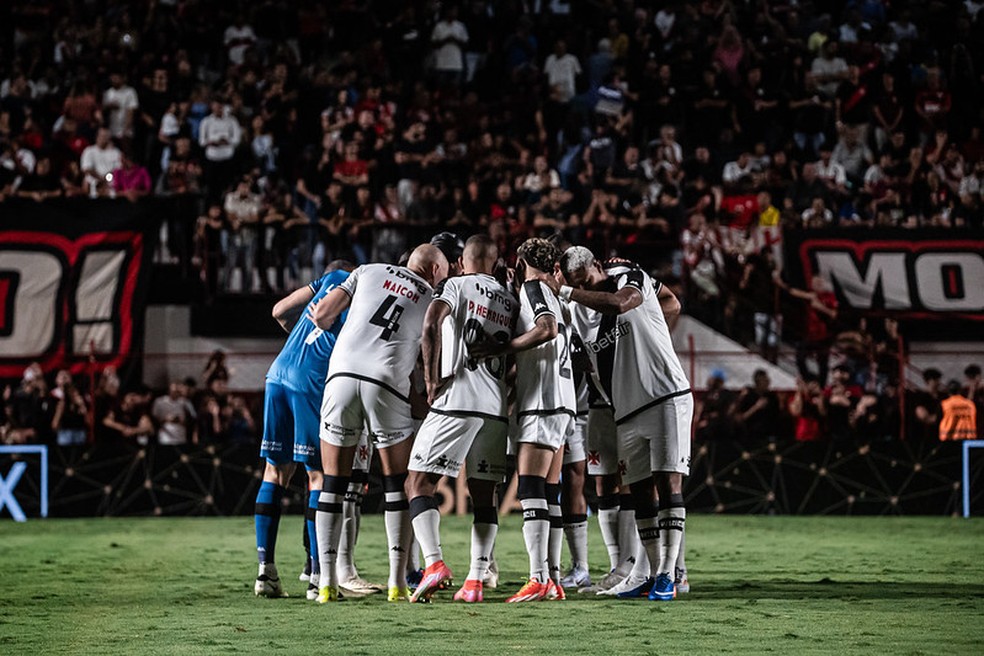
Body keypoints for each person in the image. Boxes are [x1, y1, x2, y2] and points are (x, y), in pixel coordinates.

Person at [311, 243, 448, 603]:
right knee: (395, 484)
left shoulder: (366, 271)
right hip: (386, 384)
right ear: (435, 271)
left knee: (333, 484)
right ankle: (397, 583)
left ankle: (326, 583)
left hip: (340, 376)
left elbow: (323, 315)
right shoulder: (433, 296)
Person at [556, 246, 692, 601]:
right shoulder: (574, 312)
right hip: (624, 411)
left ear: (598, 267)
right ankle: (645, 572)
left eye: (586, 281)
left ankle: (669, 574)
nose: (581, 291)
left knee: (668, 483)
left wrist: (569, 291)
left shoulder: (628, 277)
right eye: (575, 284)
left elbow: (622, 304)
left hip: (664, 396)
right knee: (641, 493)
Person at [404, 235, 516, 603]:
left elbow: (432, 322)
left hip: (459, 398)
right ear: (495, 262)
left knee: (418, 483)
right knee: (485, 497)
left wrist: (432, 378)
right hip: (496, 407)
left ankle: (434, 563)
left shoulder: (456, 284)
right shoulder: (509, 297)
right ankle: (476, 580)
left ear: (463, 261)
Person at [468, 238, 574, 603]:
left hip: (543, 402)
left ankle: (538, 577)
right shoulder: (556, 293)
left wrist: (502, 347)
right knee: (549, 491)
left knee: (529, 488)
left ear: (522, 260)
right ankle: (555, 579)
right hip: (562, 402)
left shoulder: (535, 288)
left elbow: (547, 329)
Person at [151, 381, 196, 447]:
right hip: (165, 438)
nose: (175, 393)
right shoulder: (160, 401)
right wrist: (166, 419)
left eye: (178, 391)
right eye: (173, 391)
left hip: (181, 437)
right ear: (169, 390)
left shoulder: (185, 402)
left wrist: (183, 420)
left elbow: (193, 418)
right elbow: (154, 420)